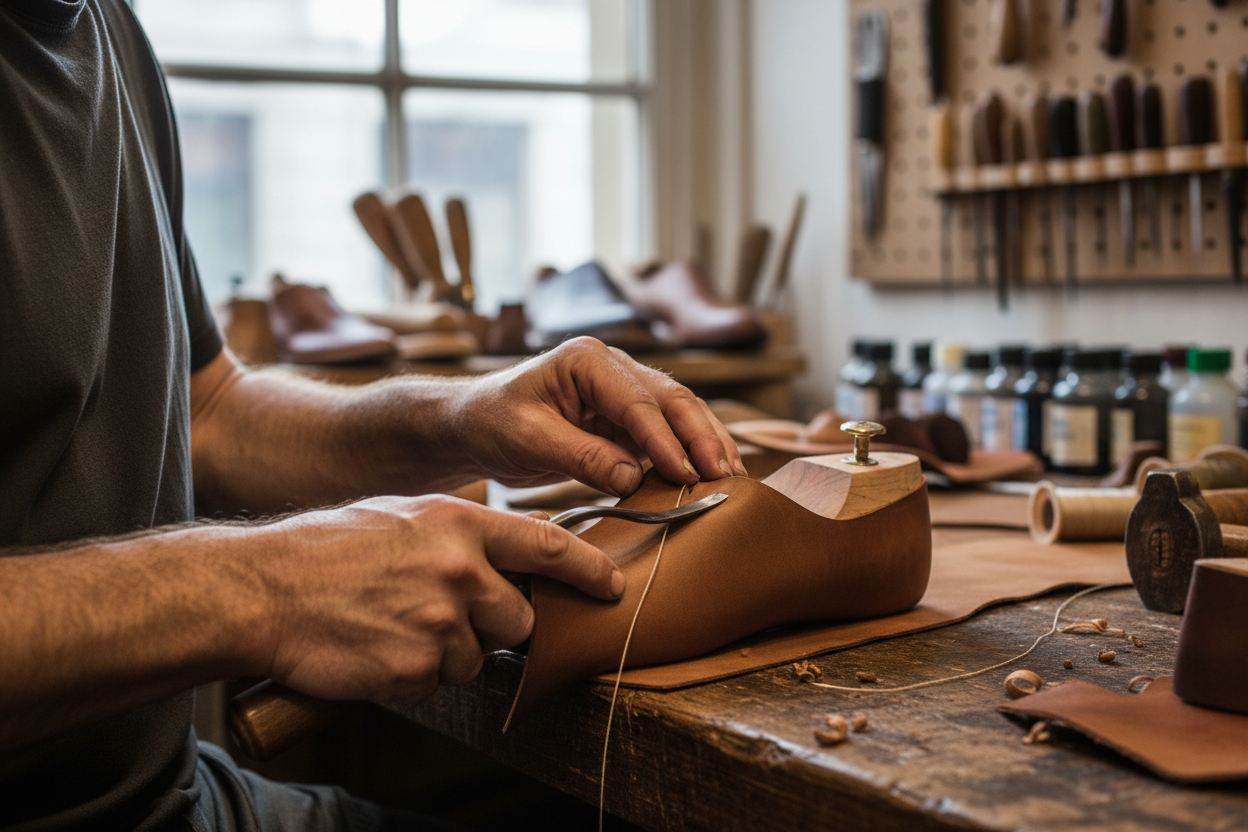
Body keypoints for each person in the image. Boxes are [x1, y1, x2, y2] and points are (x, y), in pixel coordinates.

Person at [0, 1, 745, 829]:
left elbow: (208, 412)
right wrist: (267, 583)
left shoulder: (104, 29)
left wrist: (461, 415)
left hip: (174, 800)